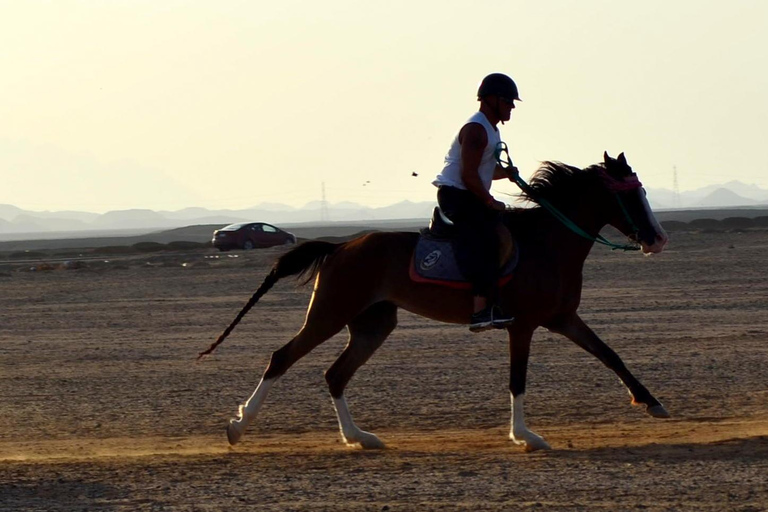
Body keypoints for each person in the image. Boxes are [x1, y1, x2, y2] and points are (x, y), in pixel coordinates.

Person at [432, 73, 521, 332]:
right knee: (484, 240)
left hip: (470, 193)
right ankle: (480, 311)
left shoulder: (491, 130)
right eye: (507, 101)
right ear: (490, 100)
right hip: (457, 195)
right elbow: (468, 175)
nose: (512, 106)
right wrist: (490, 201)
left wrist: (506, 174)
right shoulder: (476, 130)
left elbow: (483, 170)